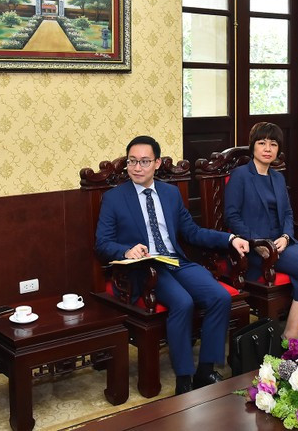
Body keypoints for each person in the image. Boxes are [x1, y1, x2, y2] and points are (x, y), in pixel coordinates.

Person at [95, 135, 250, 395]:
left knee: (219, 297)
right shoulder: (114, 198)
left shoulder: (169, 193)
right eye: (132, 161)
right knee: (183, 302)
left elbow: (192, 232)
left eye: (144, 161)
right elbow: (102, 243)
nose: (137, 167)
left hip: (175, 260)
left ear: (156, 163)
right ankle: (184, 378)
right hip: (145, 268)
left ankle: (205, 370)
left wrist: (230, 238)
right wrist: (126, 249)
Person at [224, 122, 298, 339]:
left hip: (283, 243)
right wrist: (256, 243)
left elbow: (287, 213)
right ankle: (291, 334)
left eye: (273, 144)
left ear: (278, 149)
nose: (267, 148)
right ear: (253, 147)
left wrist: (286, 237)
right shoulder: (240, 176)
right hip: (257, 249)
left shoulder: (277, 177)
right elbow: (232, 217)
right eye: (262, 143)